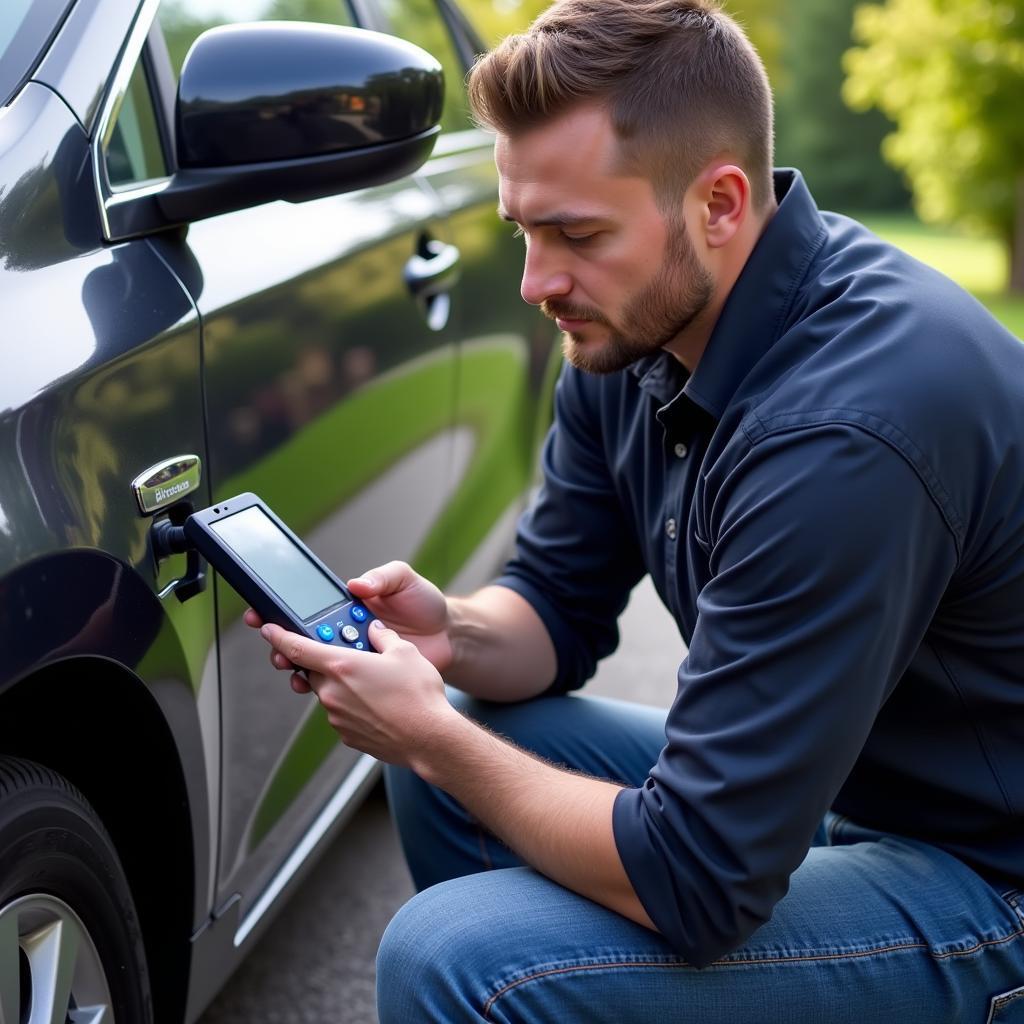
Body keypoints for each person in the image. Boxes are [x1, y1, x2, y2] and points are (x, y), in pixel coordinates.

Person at [249, 0, 1024, 1019]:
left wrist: (427, 733)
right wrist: (451, 635)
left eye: (575, 233)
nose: (538, 281)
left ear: (718, 203)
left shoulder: (846, 431)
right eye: (522, 229)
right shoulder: (637, 323)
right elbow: (558, 604)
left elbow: (698, 876)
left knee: (458, 955)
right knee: (473, 734)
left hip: (985, 874)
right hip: (836, 798)